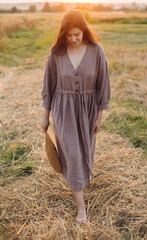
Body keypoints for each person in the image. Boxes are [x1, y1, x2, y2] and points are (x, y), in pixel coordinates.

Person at [41, 9, 111, 223]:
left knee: (84, 153)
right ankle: (81, 208)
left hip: (89, 111)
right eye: (69, 35)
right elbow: (49, 86)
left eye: (77, 35)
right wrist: (45, 117)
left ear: (84, 31)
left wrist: (99, 117)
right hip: (63, 111)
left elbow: (103, 84)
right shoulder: (56, 53)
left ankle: (81, 181)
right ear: (63, 33)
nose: (73, 39)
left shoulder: (96, 50)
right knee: (72, 154)